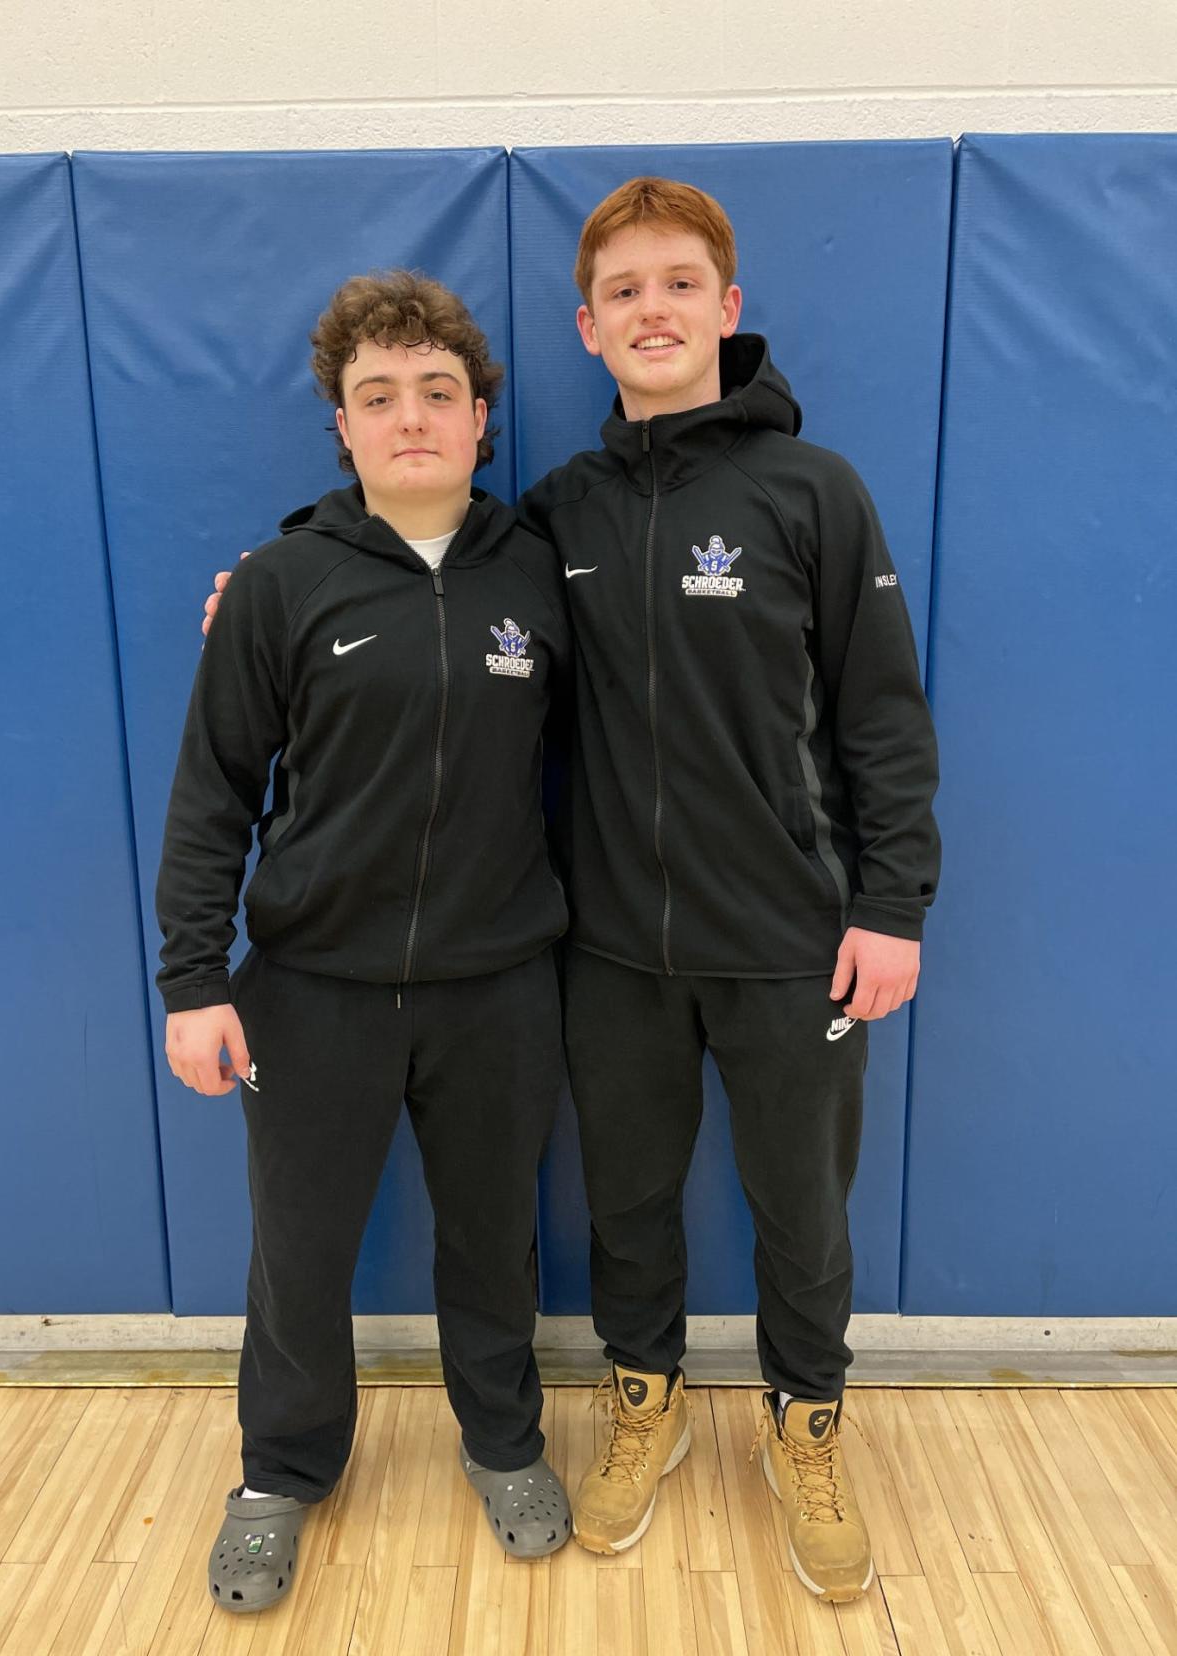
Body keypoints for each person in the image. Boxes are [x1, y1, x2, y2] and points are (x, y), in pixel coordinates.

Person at [204, 179, 941, 1606]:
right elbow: (418, 571)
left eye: (679, 286)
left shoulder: (814, 494)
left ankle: (807, 1420)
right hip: (603, 949)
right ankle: (642, 1401)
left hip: (793, 943)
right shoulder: (554, 515)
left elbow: (882, 721)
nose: (651, 310)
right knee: (626, 1208)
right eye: (623, 293)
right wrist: (273, 574)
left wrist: (891, 902)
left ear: (726, 312)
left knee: (802, 1208)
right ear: (588, 329)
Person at [157, 270, 574, 1616]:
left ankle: (503, 1443)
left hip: (499, 982)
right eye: (377, 397)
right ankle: (280, 1473)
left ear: (478, 415)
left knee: (492, 1240)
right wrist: (191, 981)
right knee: (299, 1251)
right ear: (341, 424)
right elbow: (212, 791)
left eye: (437, 393)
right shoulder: (280, 583)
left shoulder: (541, 572)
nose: (410, 418)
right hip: (311, 991)